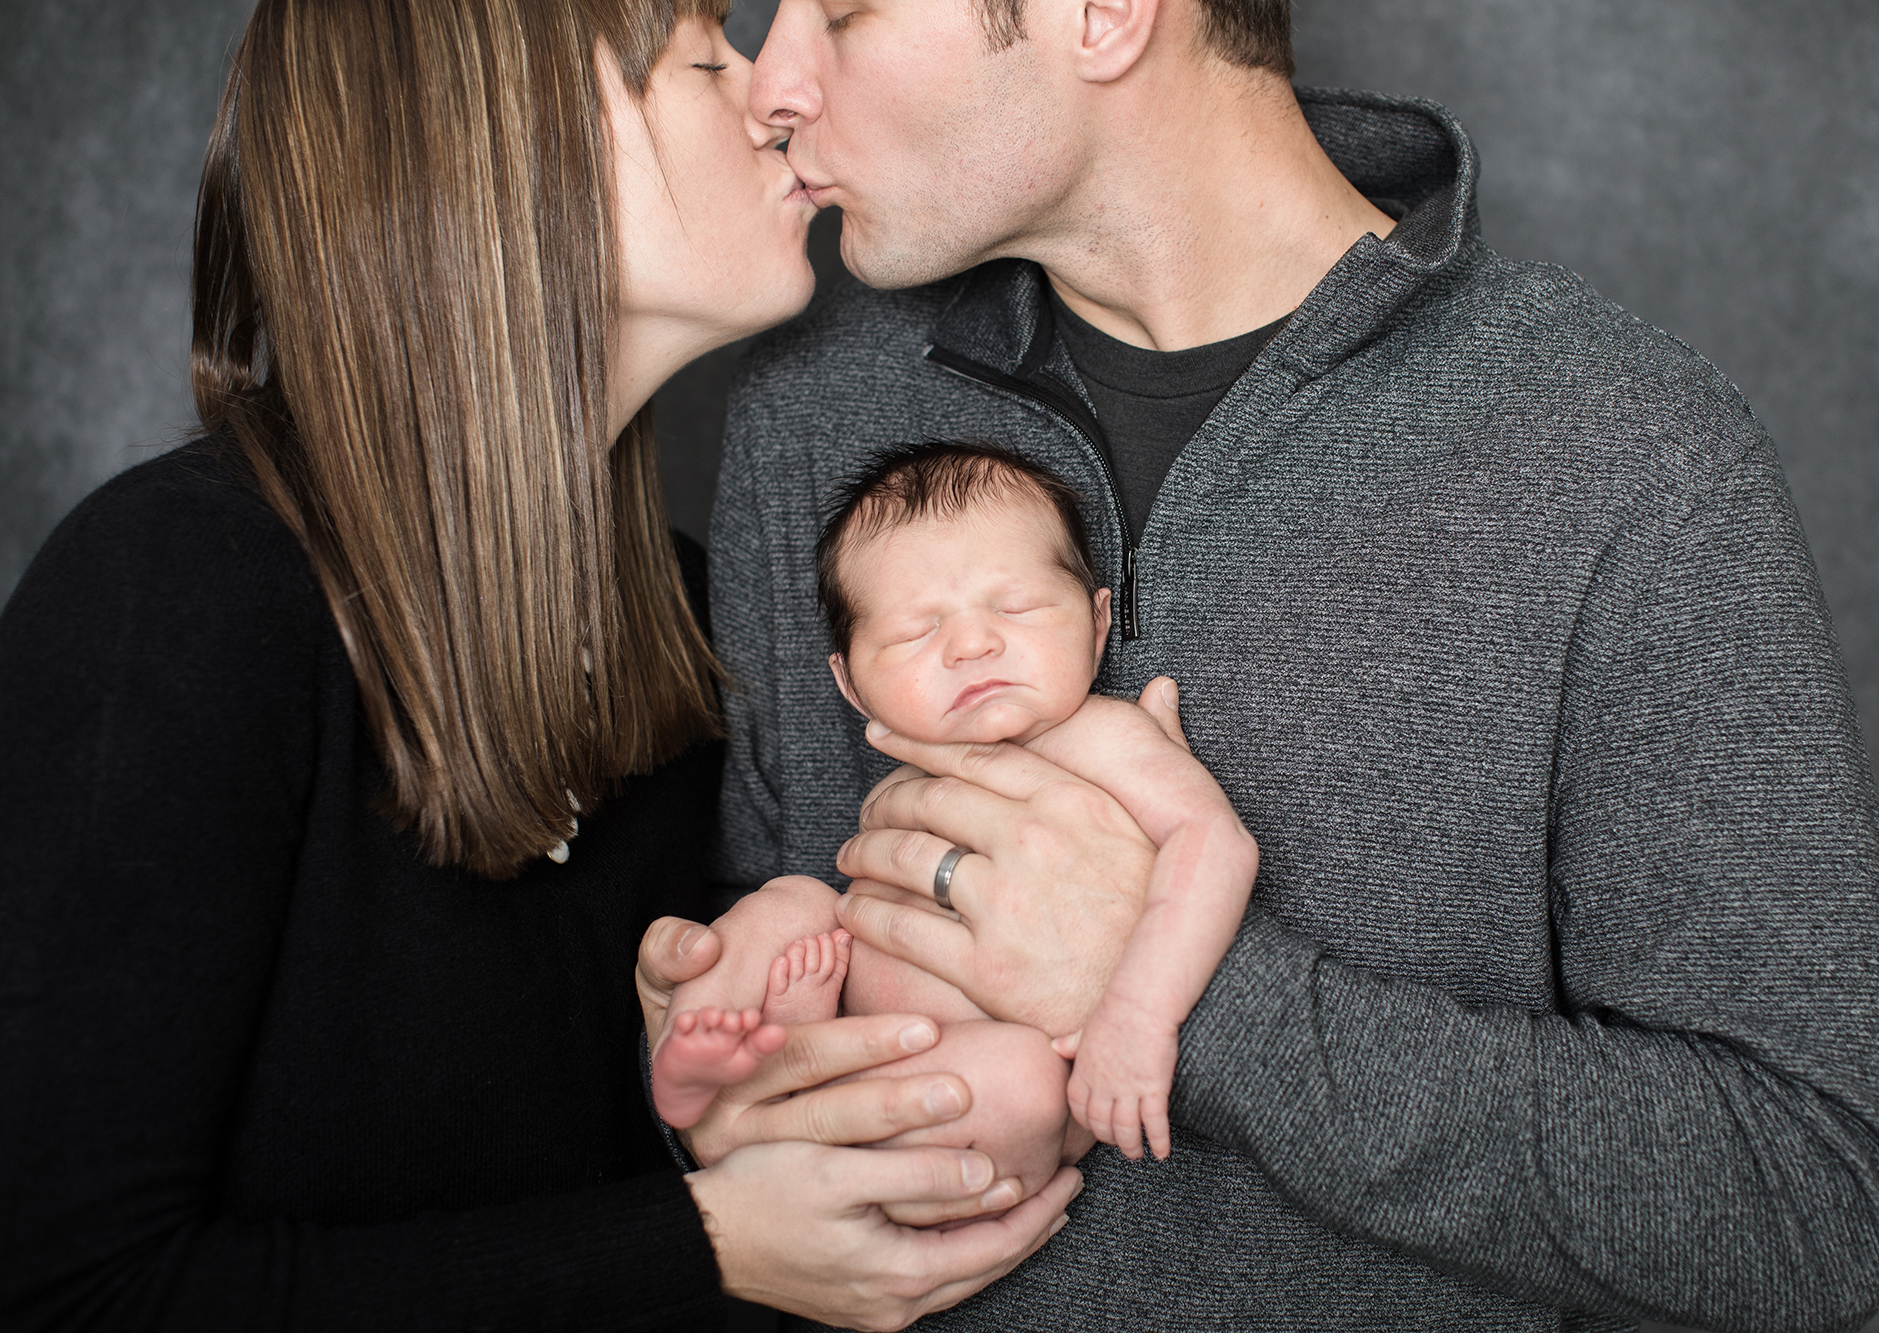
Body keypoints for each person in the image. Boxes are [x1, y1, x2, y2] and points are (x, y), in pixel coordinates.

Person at [641, 0, 1879, 1328]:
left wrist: (1187, 1001)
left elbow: (1802, 1202)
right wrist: (709, 1055)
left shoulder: (1624, 453)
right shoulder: (816, 410)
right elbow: (767, 931)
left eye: (843, 11)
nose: (769, 84)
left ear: (1103, 15)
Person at [0, 1, 1079, 1329]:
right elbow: (64, 1293)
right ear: (514, 153)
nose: (778, 95)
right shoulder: (174, 591)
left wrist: (752, 1096)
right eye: (706, 58)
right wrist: (705, 1241)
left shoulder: (690, 618)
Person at [653, 441, 1257, 1164]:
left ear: (1097, 624)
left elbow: (1216, 843)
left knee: (1022, 1081)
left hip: (992, 1078)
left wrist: (1138, 1012)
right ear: (851, 685)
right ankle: (704, 1051)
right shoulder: (910, 769)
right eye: (917, 630)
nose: (972, 644)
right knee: (788, 902)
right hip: (846, 1027)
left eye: (1017, 607)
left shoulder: (1104, 737)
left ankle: (832, 1125)